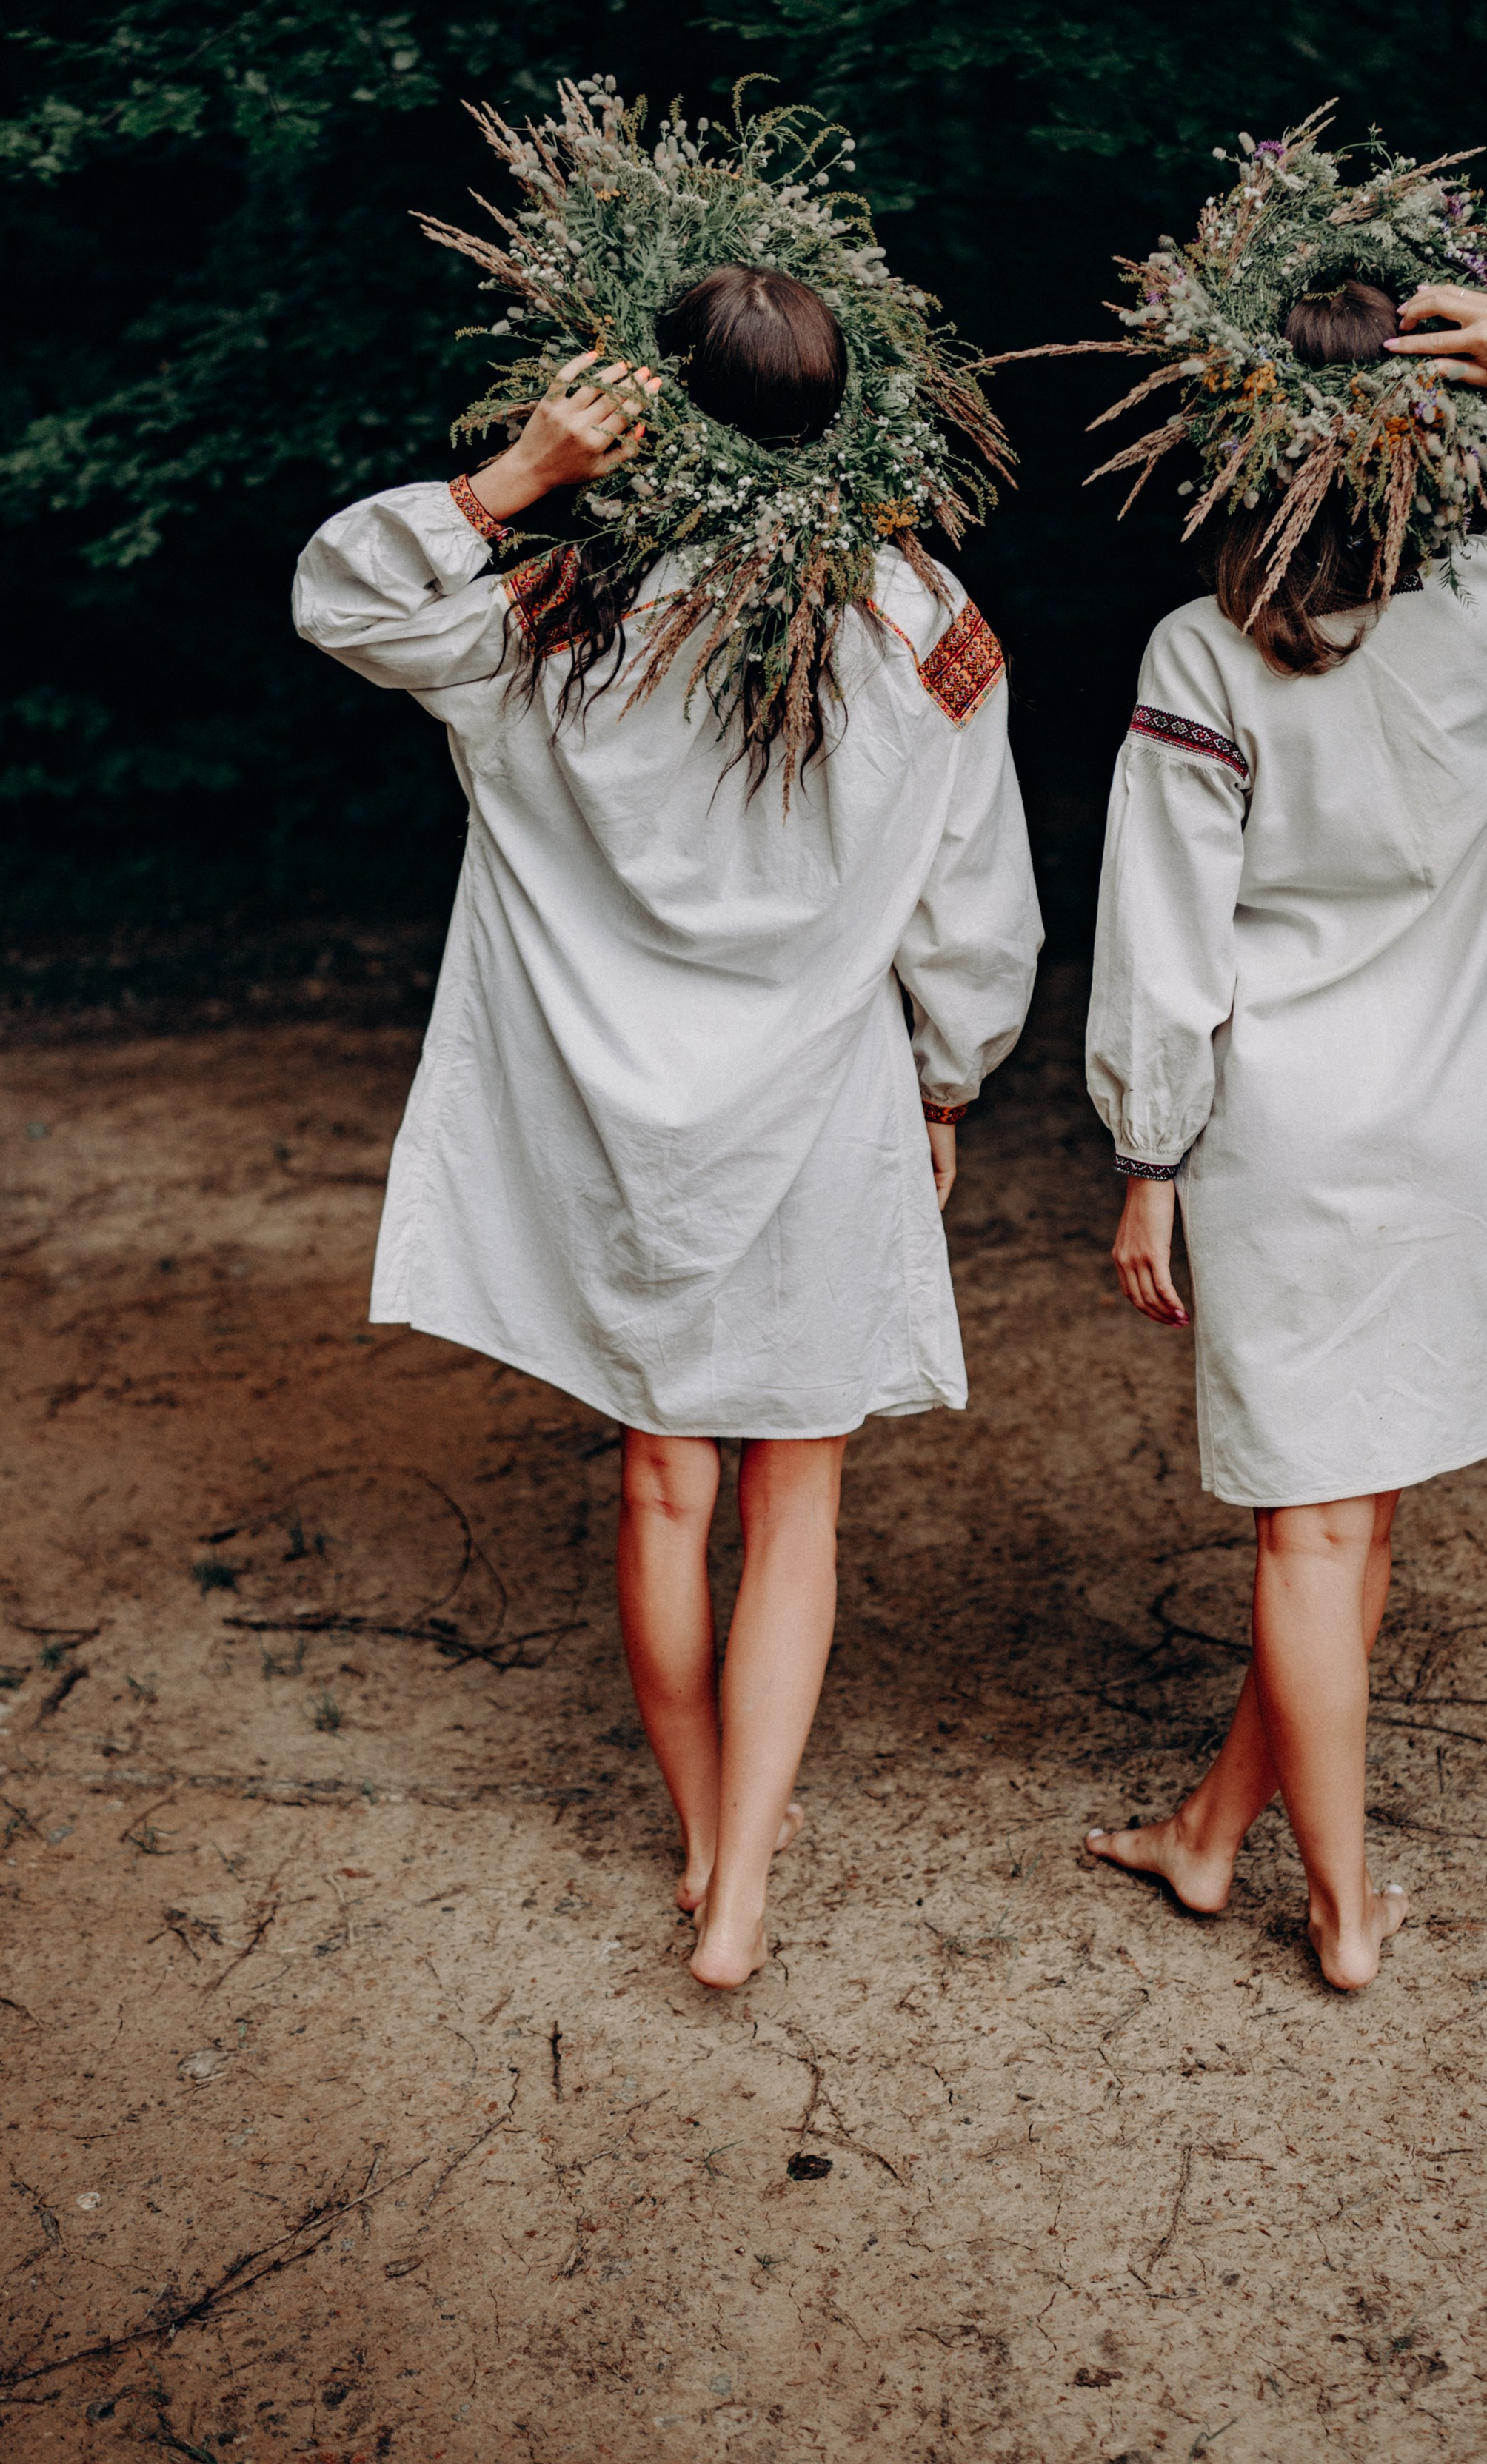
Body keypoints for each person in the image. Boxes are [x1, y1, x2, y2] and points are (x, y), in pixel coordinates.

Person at [293, 261, 1041, 1989]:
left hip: (611, 1127)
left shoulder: (560, 603)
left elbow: (341, 596)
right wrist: (946, 1074)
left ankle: (709, 1828)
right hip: (822, 1109)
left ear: (646, 408)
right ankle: (739, 1896)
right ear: (843, 408)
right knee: (799, 1498)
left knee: (659, 1482)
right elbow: (974, 908)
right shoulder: (922, 619)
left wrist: (515, 477)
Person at [1081, 272, 1487, 1989]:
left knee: (1312, 1520)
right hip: (1466, 1119)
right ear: (1424, 449)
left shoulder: (1197, 654)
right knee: (1347, 1505)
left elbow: (1163, 943)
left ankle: (1345, 1910)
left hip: (1290, 1138)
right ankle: (1210, 1836)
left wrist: (1149, 1159)